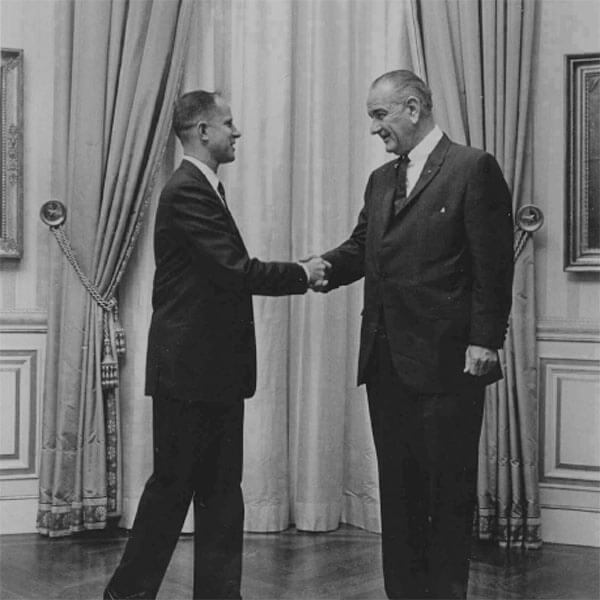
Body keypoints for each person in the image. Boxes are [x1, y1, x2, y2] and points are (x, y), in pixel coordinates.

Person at [104, 90, 328, 600]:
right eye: (229, 123)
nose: (237, 132)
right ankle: (125, 595)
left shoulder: (202, 188)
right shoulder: (187, 189)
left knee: (221, 492)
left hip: (209, 374)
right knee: (174, 489)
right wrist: (302, 272)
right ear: (203, 132)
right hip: (190, 375)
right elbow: (235, 271)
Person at [314, 70, 514, 599]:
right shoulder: (381, 181)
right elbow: (361, 248)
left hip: (449, 365)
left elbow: (493, 266)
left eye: (380, 115)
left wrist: (485, 339)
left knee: (446, 497)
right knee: (399, 499)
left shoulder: (473, 168)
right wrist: (315, 269)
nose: (375, 129)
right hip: (386, 364)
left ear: (412, 107)